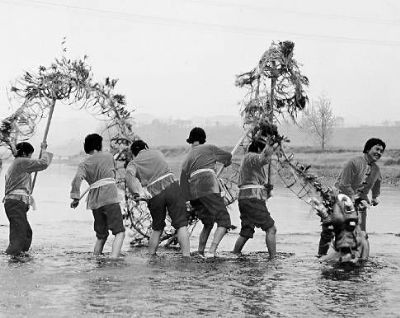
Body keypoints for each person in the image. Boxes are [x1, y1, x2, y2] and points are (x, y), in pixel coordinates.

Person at [317, 137, 386, 256]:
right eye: (377, 149)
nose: (379, 153)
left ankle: (362, 259)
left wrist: (375, 197)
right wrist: (355, 200)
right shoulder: (354, 162)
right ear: (368, 149)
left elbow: (378, 182)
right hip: (339, 200)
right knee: (330, 230)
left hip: (361, 203)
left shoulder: (376, 169)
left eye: (381, 151)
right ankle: (321, 256)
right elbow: (344, 185)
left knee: (362, 233)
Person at [125, 140, 191, 257]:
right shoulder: (156, 153)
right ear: (146, 147)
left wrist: (136, 193)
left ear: (134, 153)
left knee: (157, 227)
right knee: (181, 225)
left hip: (154, 193)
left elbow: (129, 176)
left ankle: (151, 256)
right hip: (171, 186)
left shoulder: (133, 163)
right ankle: (186, 256)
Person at [70, 133, 125, 258]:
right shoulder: (108, 156)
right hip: (110, 198)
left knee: (101, 236)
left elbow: (77, 179)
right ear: (99, 145)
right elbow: (113, 172)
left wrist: (75, 198)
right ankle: (113, 259)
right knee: (119, 232)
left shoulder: (83, 164)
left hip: (95, 201)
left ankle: (96, 259)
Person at [180, 127, 232, 258]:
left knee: (208, 223)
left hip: (194, 193)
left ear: (191, 140)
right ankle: (211, 252)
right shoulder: (209, 148)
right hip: (209, 186)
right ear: (203, 138)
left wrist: (188, 201)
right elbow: (228, 156)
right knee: (224, 221)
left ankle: (200, 252)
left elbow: (183, 182)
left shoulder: (186, 158)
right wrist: (227, 162)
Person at [3, 141, 53, 256]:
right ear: (25, 153)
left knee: (26, 233)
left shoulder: (17, 163)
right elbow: (44, 163)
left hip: (16, 202)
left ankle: (21, 255)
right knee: (19, 234)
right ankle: (13, 257)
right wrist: (44, 149)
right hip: (15, 202)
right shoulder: (21, 161)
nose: (30, 158)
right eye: (30, 155)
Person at [232, 138, 278, 259]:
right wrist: (270, 145)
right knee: (271, 228)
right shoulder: (251, 157)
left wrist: (266, 187)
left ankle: (235, 254)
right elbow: (263, 158)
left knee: (246, 231)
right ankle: (273, 259)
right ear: (259, 149)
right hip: (252, 198)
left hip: (245, 199)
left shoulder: (248, 159)